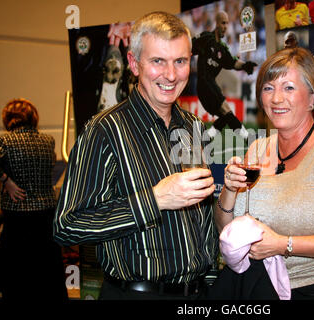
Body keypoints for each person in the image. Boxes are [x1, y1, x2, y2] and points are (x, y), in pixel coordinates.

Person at [53, 11, 218, 300]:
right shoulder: (103, 131)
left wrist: (212, 281)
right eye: (158, 61)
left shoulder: (194, 127)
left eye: (180, 61)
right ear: (134, 64)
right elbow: (67, 226)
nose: (170, 75)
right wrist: (154, 200)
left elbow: (203, 218)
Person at [214, 47, 314, 300]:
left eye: (288, 87)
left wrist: (283, 244)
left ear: (312, 98)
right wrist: (229, 190)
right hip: (257, 285)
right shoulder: (258, 149)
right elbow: (226, 229)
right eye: (268, 88)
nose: (276, 98)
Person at [0, 98, 67, 300]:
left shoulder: (5, 141)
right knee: (48, 275)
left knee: (18, 278)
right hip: (45, 216)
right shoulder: (48, 140)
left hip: (17, 219)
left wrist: (5, 181)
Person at [192, 11, 257, 139]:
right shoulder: (206, 38)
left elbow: (233, 63)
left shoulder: (222, 49)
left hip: (210, 86)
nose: (225, 26)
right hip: (204, 83)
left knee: (225, 116)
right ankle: (248, 140)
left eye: (227, 23)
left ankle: (205, 139)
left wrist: (245, 65)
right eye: (223, 23)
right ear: (216, 23)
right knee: (226, 110)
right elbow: (189, 46)